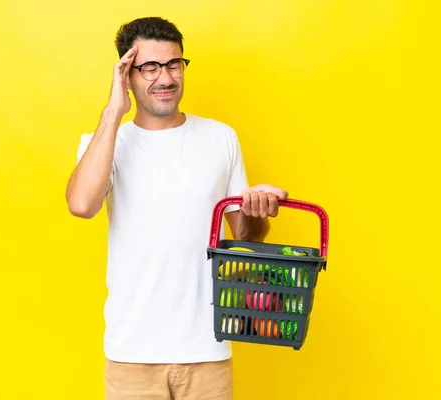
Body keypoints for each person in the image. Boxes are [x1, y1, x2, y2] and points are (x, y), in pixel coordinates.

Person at [65, 16, 288, 400]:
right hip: (131, 354)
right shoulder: (106, 142)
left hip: (207, 351)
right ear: (127, 75)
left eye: (173, 64)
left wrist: (256, 209)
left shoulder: (221, 138)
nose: (165, 78)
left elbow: (245, 236)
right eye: (149, 67)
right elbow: (82, 204)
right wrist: (113, 111)